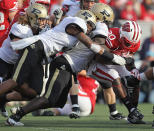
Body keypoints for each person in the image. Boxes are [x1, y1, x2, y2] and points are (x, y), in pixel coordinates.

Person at [5, 4, 127, 126]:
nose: (91, 28)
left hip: (54, 59)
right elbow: (91, 45)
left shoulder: (75, 29)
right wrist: (114, 58)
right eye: (90, 25)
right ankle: (16, 115)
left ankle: (16, 109)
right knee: (25, 86)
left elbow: (60, 34)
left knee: (54, 100)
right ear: (84, 21)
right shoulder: (77, 25)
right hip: (49, 57)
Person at [87, 20, 144, 124]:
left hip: (116, 62)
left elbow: (128, 58)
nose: (130, 46)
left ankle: (134, 113)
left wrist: (133, 68)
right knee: (115, 77)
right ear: (121, 35)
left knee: (135, 80)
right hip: (97, 63)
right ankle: (131, 109)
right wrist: (118, 60)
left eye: (132, 44)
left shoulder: (134, 42)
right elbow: (98, 56)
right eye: (127, 43)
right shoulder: (111, 36)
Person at [0, 3, 50, 117]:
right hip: (4, 62)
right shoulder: (20, 27)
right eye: (40, 20)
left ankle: (3, 99)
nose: (43, 23)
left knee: (32, 93)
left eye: (44, 20)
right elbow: (17, 46)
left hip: (17, 65)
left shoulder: (39, 30)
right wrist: (37, 41)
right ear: (32, 18)